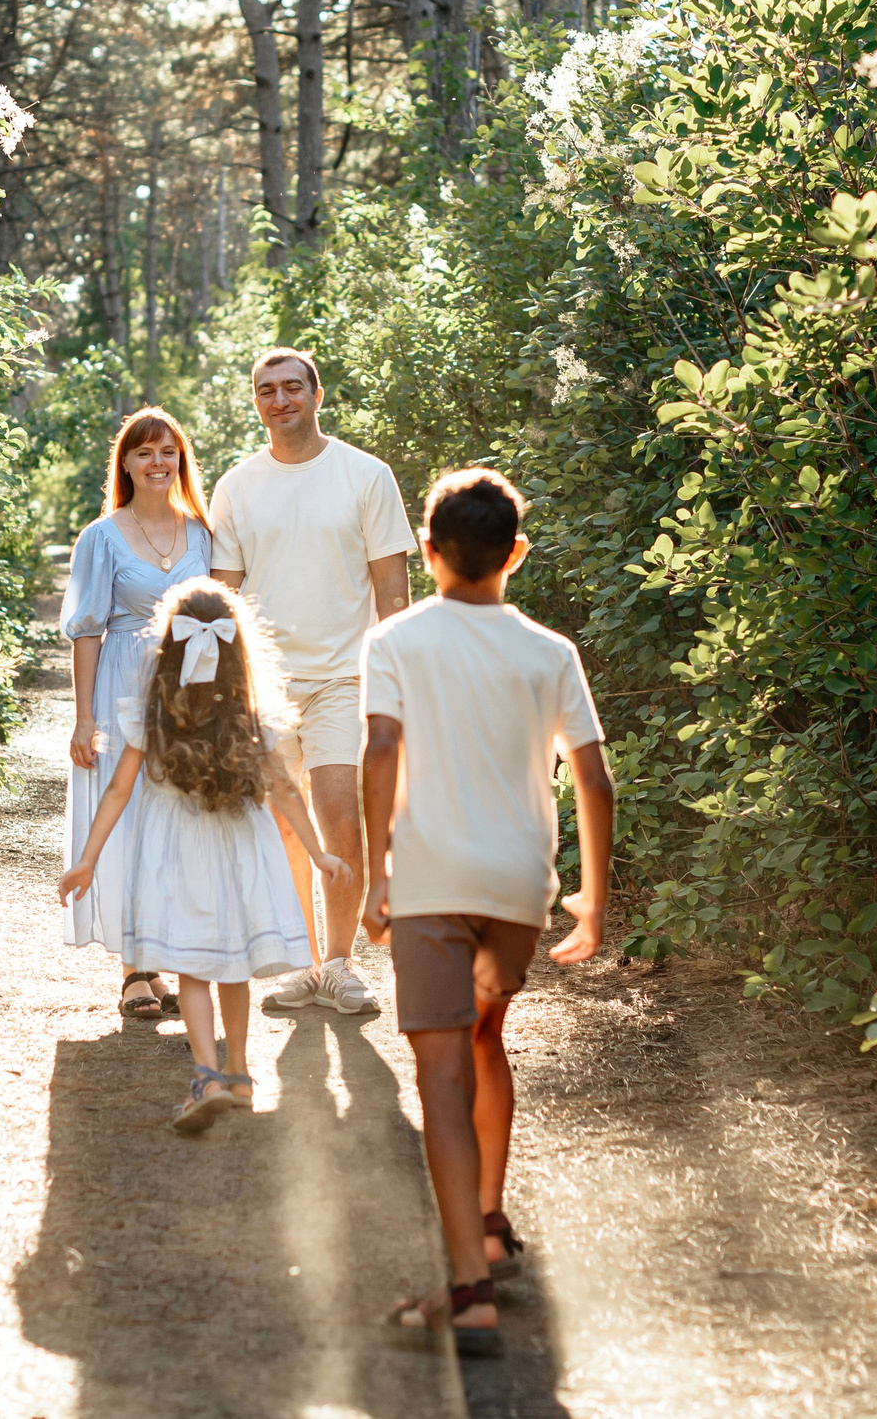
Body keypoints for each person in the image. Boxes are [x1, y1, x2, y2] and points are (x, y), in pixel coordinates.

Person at [359, 469, 614, 1356]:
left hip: (430, 882)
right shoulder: (550, 651)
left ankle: (468, 1289)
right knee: (483, 1038)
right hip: (516, 890)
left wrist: (373, 875)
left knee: (440, 1073)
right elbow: (594, 777)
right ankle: (492, 1222)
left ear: (427, 552)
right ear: (518, 552)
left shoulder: (394, 641)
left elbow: (381, 749)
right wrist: (593, 899)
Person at [59, 579, 342, 1132]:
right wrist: (320, 854)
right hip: (238, 847)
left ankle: (207, 1076)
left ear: (168, 647)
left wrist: (88, 858)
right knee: (233, 965)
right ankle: (238, 1073)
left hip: (176, 850)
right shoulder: (250, 712)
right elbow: (285, 789)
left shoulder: (153, 709)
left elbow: (118, 790)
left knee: (191, 970)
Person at [206, 348, 414, 1017]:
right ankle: (301, 963)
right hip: (265, 683)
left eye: (292, 387)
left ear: (317, 395)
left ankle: (340, 963)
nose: (280, 399)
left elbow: (391, 585)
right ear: (256, 402)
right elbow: (222, 594)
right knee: (284, 826)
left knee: (336, 812)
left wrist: (399, 673)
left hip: (343, 677)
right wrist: (222, 686)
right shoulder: (237, 485)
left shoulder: (366, 475)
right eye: (266, 390)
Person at [62, 408, 216, 1018]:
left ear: (181, 461)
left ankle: (167, 950)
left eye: (168, 452)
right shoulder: (102, 536)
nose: (158, 463)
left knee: (178, 823)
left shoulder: (203, 533)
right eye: (145, 453)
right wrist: (83, 719)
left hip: (189, 687)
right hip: (120, 682)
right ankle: (134, 969)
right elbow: (86, 632)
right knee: (126, 816)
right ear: (125, 463)